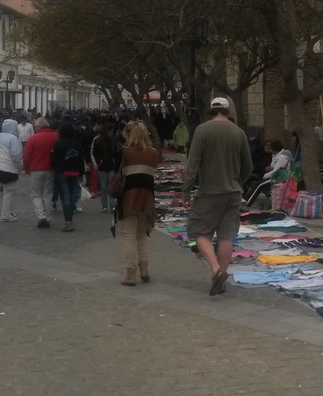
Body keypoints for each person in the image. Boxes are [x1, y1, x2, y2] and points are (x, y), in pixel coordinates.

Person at [179, 98, 253, 296]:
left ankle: (216, 270)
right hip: (233, 193)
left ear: (211, 111)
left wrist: (186, 190)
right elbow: (248, 166)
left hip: (210, 191)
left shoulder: (203, 130)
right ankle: (219, 278)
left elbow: (193, 163)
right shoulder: (239, 132)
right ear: (228, 111)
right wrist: (238, 181)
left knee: (199, 232)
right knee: (226, 235)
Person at [118, 121, 162, 285]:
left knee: (128, 236)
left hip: (128, 196)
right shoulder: (153, 153)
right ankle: (144, 269)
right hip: (147, 196)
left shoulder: (125, 152)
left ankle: (130, 275)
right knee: (141, 235)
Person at [50, 121, 86, 232]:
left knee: (65, 198)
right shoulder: (76, 143)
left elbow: (53, 160)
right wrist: (81, 173)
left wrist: (56, 166)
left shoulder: (58, 143)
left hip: (62, 172)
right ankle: (70, 220)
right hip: (74, 172)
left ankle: (68, 222)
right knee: (71, 198)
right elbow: (81, 159)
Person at [23, 117, 58, 229]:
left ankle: (41, 216)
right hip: (50, 169)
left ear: (38, 127)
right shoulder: (55, 137)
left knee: (36, 194)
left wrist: (26, 167)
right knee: (47, 194)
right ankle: (48, 216)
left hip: (36, 169)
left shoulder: (33, 138)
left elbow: (26, 155)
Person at [0, 118, 23, 222]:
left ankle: (9, 211)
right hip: (9, 169)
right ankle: (5, 214)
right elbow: (16, 155)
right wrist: (19, 166)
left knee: (7, 190)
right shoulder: (13, 139)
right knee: (9, 192)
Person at [245, 140, 292, 208]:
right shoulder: (276, 156)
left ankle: (248, 202)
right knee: (258, 184)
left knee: (260, 185)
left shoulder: (282, 158)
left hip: (279, 178)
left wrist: (265, 175)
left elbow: (276, 171)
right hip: (275, 177)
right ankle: (247, 198)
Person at [91, 124, 121, 213]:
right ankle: (104, 205)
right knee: (103, 187)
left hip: (111, 165)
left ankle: (112, 205)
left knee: (111, 186)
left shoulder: (113, 140)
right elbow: (92, 152)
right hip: (102, 166)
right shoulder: (97, 140)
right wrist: (96, 163)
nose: (111, 134)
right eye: (110, 132)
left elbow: (116, 153)